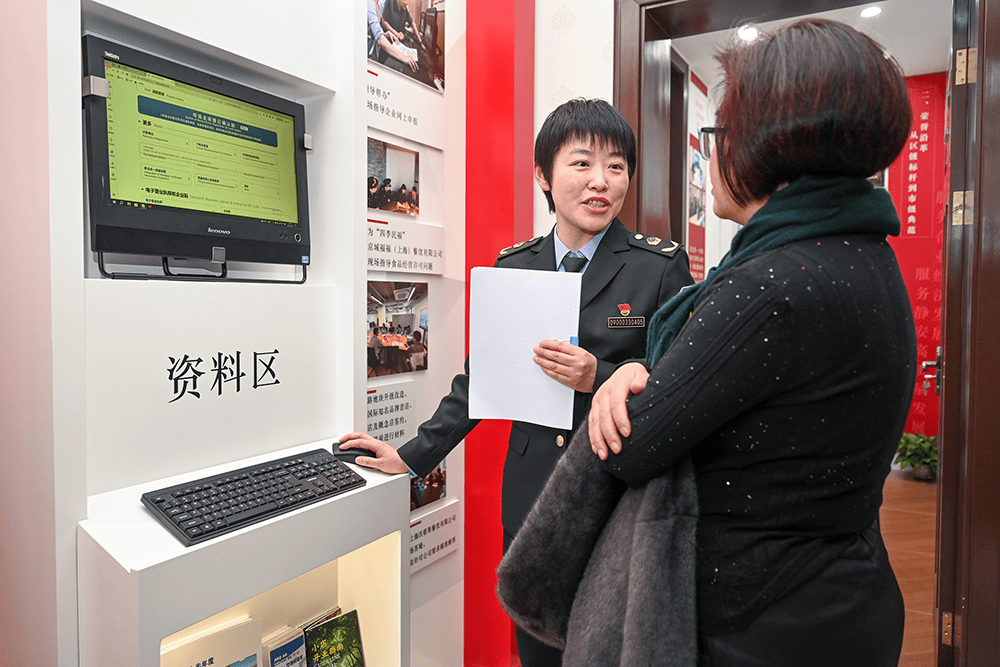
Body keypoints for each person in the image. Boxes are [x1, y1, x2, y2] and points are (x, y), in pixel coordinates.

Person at [500, 19, 916, 667]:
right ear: (544, 175)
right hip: (832, 592)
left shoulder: (767, 284)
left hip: (761, 618)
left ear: (764, 145)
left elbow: (636, 442)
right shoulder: (860, 254)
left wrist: (615, 378)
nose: (710, 155)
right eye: (580, 163)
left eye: (718, 135)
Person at [339, 98, 694, 667]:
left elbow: (682, 387)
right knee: (538, 649)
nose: (601, 181)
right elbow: (481, 379)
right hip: (532, 497)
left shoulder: (658, 266)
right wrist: (410, 458)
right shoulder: (515, 265)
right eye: (582, 163)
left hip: (617, 489)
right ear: (543, 176)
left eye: (616, 166)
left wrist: (597, 376)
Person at [366, 0, 418, 72]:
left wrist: (386, 34)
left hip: (373, 49)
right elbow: (379, 39)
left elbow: (377, 29)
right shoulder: (369, 3)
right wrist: (404, 58)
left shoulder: (379, 4)